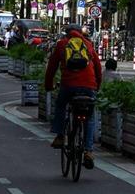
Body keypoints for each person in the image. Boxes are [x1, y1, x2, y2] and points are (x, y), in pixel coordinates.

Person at [45, 24, 102, 169]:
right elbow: (98, 67)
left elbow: (51, 67)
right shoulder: (88, 44)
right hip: (89, 86)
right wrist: (97, 86)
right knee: (89, 117)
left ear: (67, 33)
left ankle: (60, 136)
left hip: (68, 85)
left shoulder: (62, 44)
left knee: (61, 105)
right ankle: (88, 151)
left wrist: (48, 85)